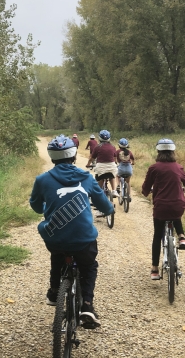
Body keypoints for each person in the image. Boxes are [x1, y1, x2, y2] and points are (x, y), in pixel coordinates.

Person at [29, 135, 114, 328]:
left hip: (56, 238)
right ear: (74, 155)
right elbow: (105, 206)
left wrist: (47, 208)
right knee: (89, 266)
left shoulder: (42, 180)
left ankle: (54, 290)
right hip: (83, 239)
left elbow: (35, 206)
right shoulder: (85, 177)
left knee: (57, 252)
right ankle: (87, 305)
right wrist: (109, 209)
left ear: (52, 157)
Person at [142, 138, 185, 280]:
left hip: (161, 207)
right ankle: (182, 237)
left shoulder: (154, 168)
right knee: (175, 213)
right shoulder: (179, 167)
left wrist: (146, 192)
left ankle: (154, 269)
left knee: (157, 235)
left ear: (158, 151)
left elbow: (146, 187)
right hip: (178, 205)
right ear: (173, 152)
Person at [89, 130, 119, 198]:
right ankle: (114, 190)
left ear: (99, 138)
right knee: (112, 176)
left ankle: (98, 194)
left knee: (100, 178)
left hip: (101, 167)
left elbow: (92, 158)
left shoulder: (97, 147)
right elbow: (115, 158)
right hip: (111, 166)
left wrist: (88, 164)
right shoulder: (113, 147)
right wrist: (115, 163)